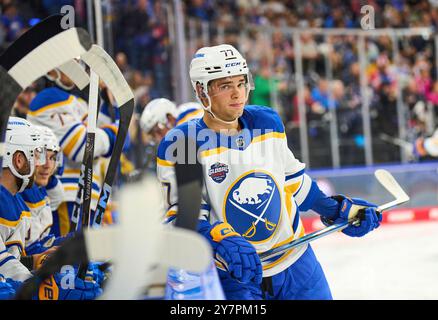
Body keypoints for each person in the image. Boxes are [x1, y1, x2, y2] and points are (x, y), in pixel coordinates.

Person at [156, 44, 382, 300]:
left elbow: (295, 185)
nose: (237, 94)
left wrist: (338, 210)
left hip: (297, 263)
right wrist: (218, 238)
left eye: (241, 83)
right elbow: (183, 219)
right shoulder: (183, 143)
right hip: (237, 276)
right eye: (225, 86)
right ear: (201, 90)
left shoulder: (266, 122)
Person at [0, 117, 101, 300]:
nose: (41, 164)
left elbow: (10, 259)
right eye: (36, 155)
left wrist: (40, 261)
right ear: (19, 159)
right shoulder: (5, 200)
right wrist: (45, 289)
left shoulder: (14, 201)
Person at [27, 68, 118, 236]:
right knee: (69, 259)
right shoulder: (48, 98)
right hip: (65, 196)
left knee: (86, 259)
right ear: (51, 70)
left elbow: (108, 142)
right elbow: (83, 147)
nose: (76, 66)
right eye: (71, 61)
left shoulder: (77, 101)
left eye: (77, 61)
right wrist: (115, 134)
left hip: (86, 195)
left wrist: (107, 99)